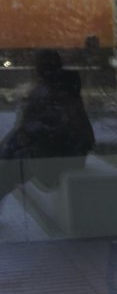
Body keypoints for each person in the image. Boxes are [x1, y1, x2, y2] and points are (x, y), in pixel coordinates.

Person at [0, 49, 95, 203]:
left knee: (11, 165)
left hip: (60, 155)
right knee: (9, 160)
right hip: (58, 151)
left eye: (37, 65)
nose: (35, 69)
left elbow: (57, 128)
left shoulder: (57, 90)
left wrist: (24, 136)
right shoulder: (53, 87)